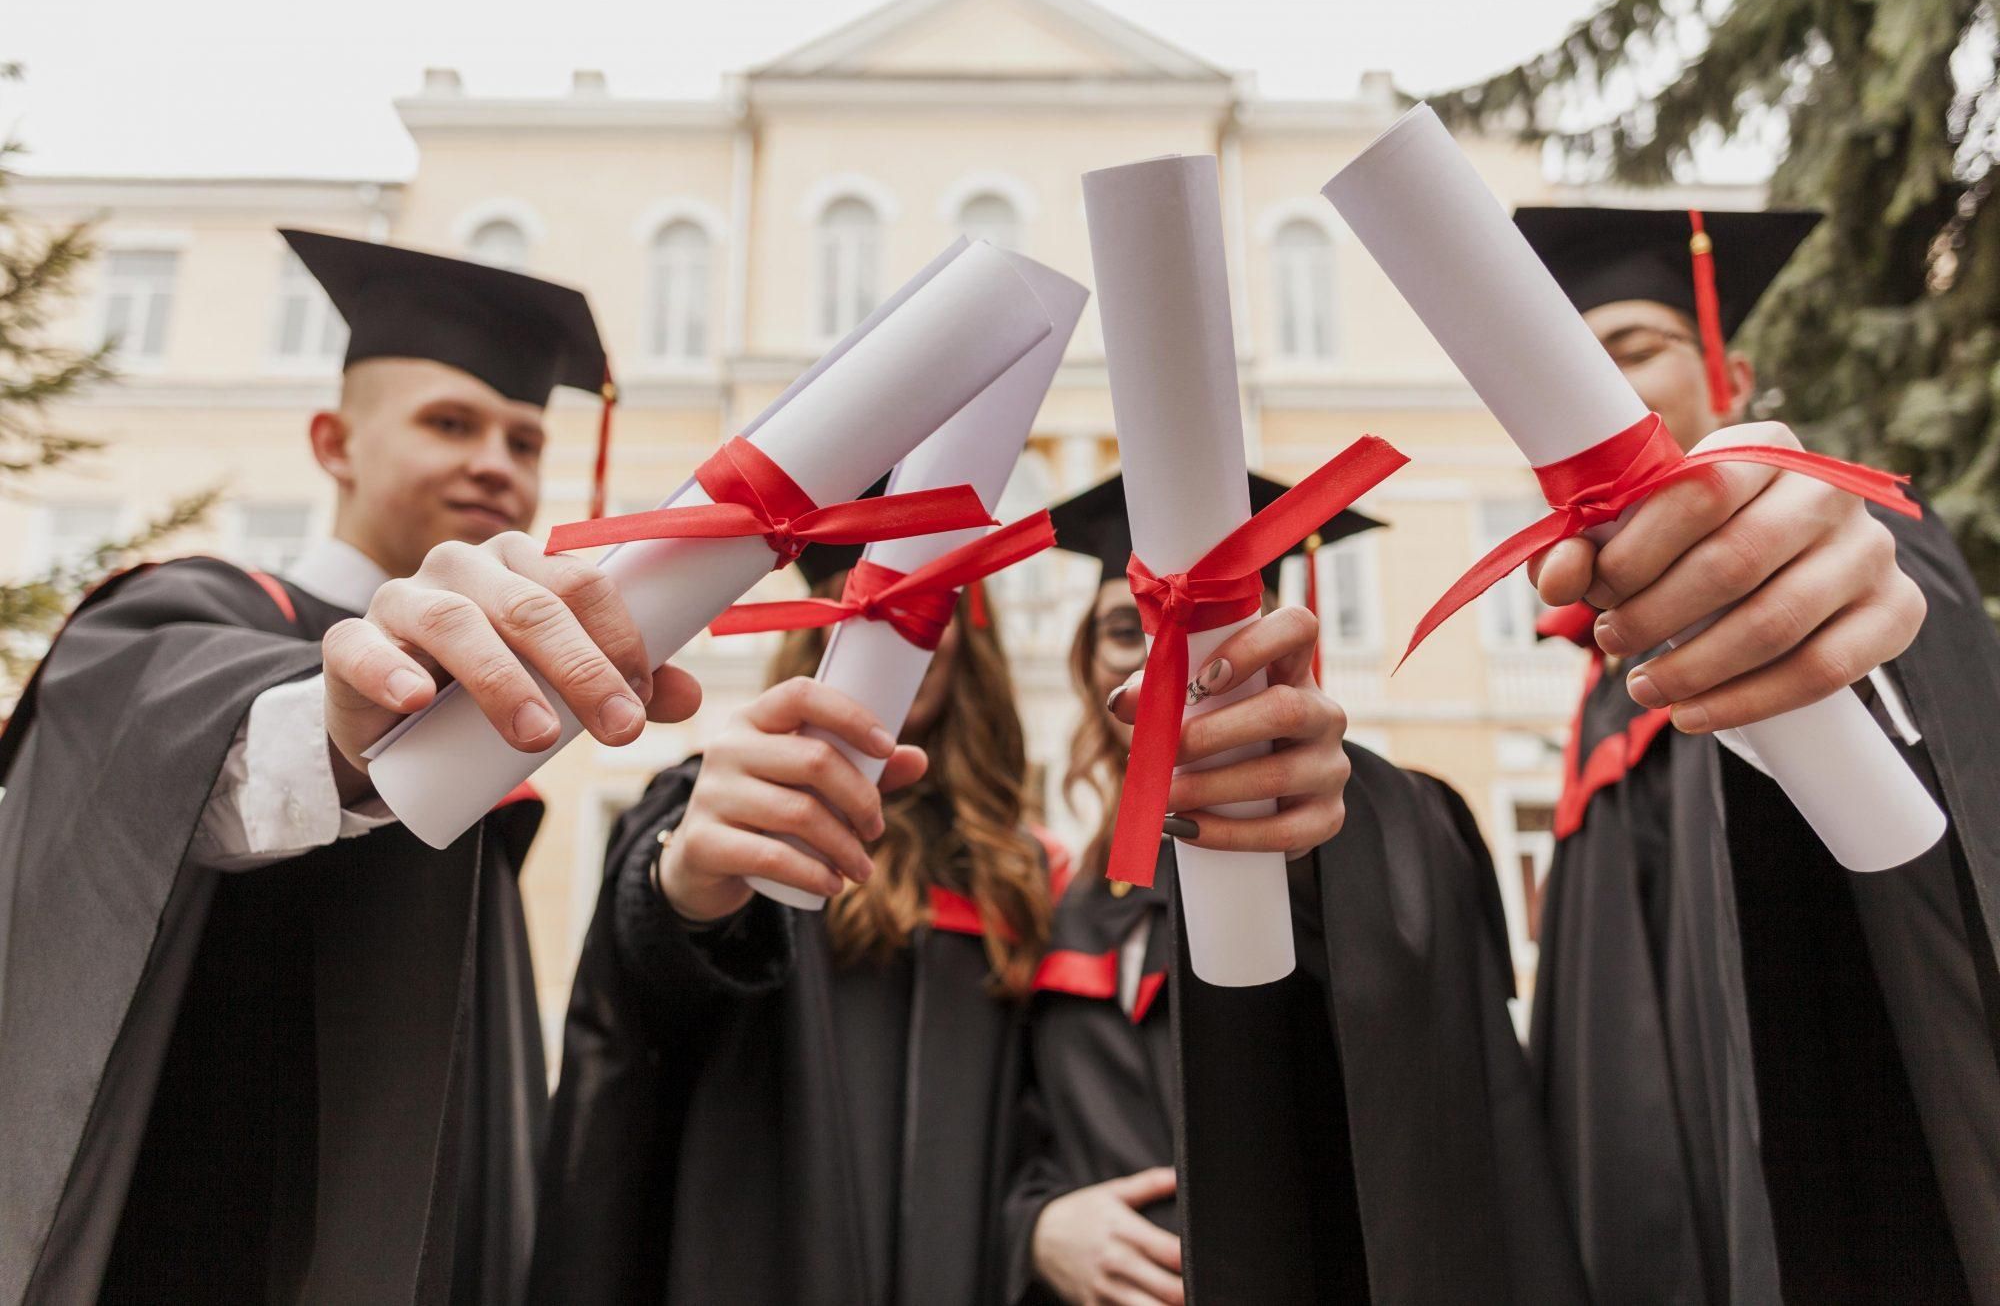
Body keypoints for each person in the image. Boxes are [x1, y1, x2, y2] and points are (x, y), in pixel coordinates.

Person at [0, 229, 700, 1304]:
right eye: (449, 422)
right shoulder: (194, 617)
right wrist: (346, 732)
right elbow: (175, 757)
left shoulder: (506, 699)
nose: (495, 462)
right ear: (333, 441)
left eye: (522, 438)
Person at [1515, 205, 2000, 1302]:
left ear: (1728, 371)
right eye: (1573, 365)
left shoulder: (1861, 537)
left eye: (1635, 348)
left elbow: (1959, 785)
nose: (1602, 387)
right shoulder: (1601, 690)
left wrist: (1858, 635)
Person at [1003, 473, 1586, 1305]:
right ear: (1087, 668)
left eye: (1213, 625)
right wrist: (1037, 1226)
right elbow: (1014, 1134)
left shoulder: (1376, 828)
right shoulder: (1066, 903)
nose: (1163, 652)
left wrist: (1305, 831)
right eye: (1123, 629)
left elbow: (1434, 1055)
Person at [530, 537, 1054, 1305]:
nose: (898, 627)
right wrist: (681, 881)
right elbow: (648, 957)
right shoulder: (729, 803)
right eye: (865, 603)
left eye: (926, 604)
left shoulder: (1017, 867)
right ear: (817, 631)